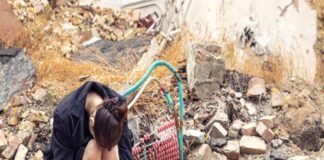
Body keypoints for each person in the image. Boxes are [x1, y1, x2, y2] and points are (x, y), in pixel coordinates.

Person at [44, 81, 133, 160]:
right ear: (92, 122)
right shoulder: (64, 115)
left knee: (111, 149)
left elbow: (126, 152)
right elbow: (62, 156)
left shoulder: (118, 109)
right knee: (94, 148)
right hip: (74, 155)